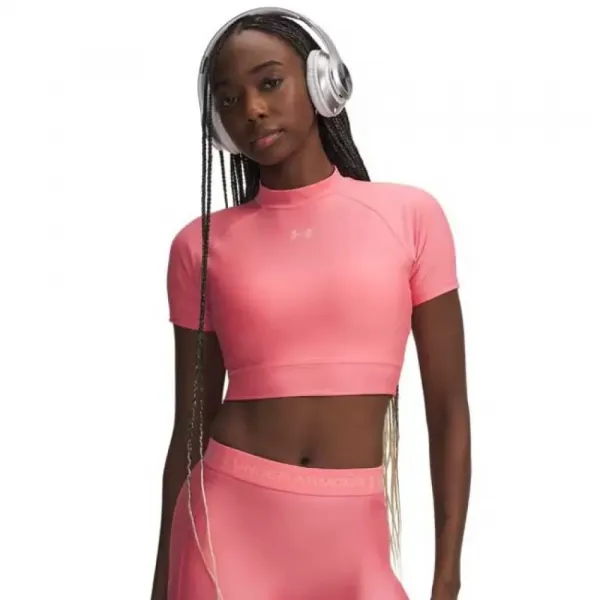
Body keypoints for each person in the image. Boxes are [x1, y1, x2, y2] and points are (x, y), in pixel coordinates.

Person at [151, 7, 471, 600]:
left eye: (270, 82)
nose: (251, 109)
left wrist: (447, 577)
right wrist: (160, 586)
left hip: (352, 544)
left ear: (323, 81)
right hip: (225, 529)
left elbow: (448, 409)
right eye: (228, 99)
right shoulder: (199, 247)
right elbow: (189, 429)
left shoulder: (410, 217)